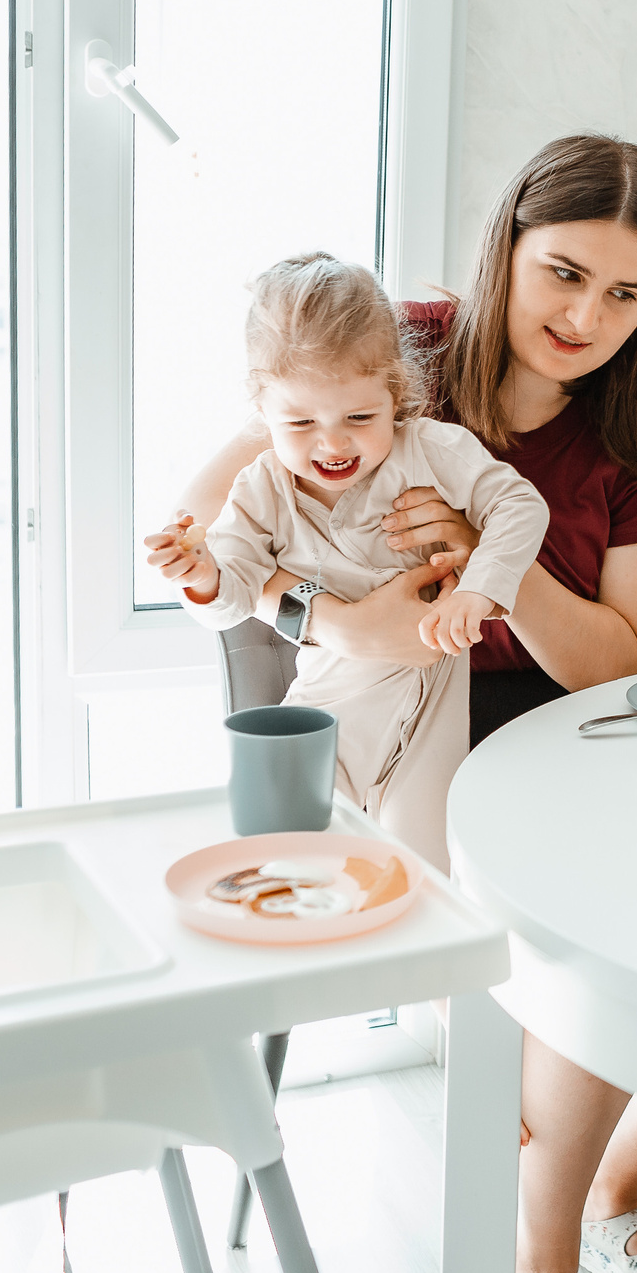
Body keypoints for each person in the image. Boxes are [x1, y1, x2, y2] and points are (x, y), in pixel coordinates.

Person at [165, 137, 637, 1273]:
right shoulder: (397, 346)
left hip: (564, 742)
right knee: (586, 969)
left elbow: (624, 664)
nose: (585, 316)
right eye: (563, 273)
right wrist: (337, 617)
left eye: (626, 295)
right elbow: (211, 522)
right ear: (508, 245)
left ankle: (605, 1190)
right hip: (403, 741)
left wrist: (498, 559)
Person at [146, 253, 548, 869]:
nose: (333, 443)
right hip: (328, 725)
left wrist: (480, 591)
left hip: (430, 734)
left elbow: (520, 505)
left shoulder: (433, 451)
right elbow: (229, 602)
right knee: (301, 872)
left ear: (396, 393)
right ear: (263, 411)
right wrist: (200, 575)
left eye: (360, 417)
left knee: (428, 883)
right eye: (301, 421)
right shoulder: (260, 491)